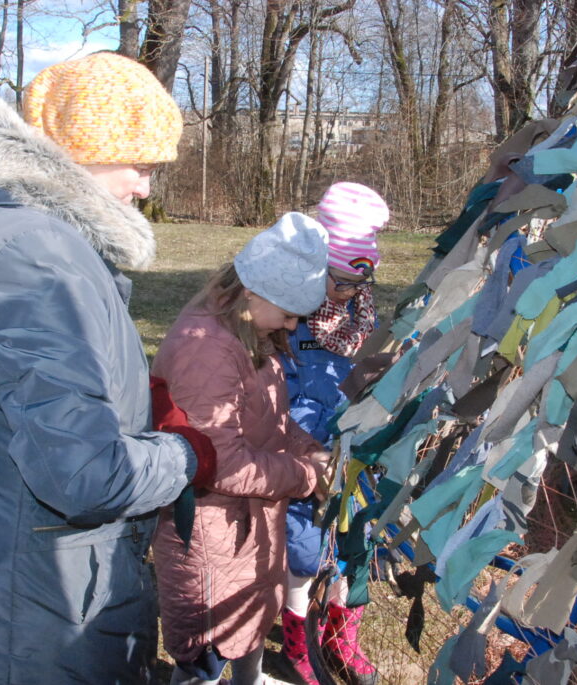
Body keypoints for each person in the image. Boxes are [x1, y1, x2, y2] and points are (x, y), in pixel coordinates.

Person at [0, 52, 216, 684]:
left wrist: (133, 400)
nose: (146, 187)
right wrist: (185, 455)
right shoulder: (34, 257)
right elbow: (85, 475)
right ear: (86, 151)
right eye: (141, 165)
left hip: (34, 577)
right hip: (27, 605)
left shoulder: (44, 240)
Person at [151, 212, 334, 685]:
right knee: (209, 648)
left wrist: (308, 448)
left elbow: (270, 418)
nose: (293, 326)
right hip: (210, 531)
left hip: (245, 523)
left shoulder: (249, 332)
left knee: (249, 621)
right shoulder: (207, 349)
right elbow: (220, 462)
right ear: (255, 292)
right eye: (289, 314)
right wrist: (305, 475)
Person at [278, 182, 390, 685]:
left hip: (352, 454)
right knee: (304, 552)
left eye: (357, 285)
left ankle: (342, 637)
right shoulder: (286, 319)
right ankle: (297, 639)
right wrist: (307, 450)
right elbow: (276, 396)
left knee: (355, 542)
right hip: (306, 457)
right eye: (340, 282)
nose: (347, 293)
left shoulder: (359, 319)